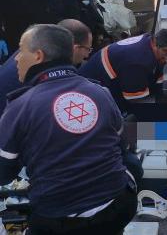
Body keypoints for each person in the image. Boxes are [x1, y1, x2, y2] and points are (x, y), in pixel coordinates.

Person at [0, 24, 137, 234]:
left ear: (38, 56)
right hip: (118, 207)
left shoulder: (19, 107)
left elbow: (3, 173)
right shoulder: (100, 92)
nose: (16, 58)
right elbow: (122, 146)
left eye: (21, 50)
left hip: (58, 220)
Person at [0, 19, 92, 117]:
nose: (87, 55)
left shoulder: (34, 51)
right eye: (87, 49)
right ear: (74, 48)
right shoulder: (39, 71)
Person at [78, 29, 167, 113]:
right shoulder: (138, 61)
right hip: (89, 95)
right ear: (155, 44)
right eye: (166, 52)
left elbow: (157, 89)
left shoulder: (150, 42)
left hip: (106, 82)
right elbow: (137, 103)